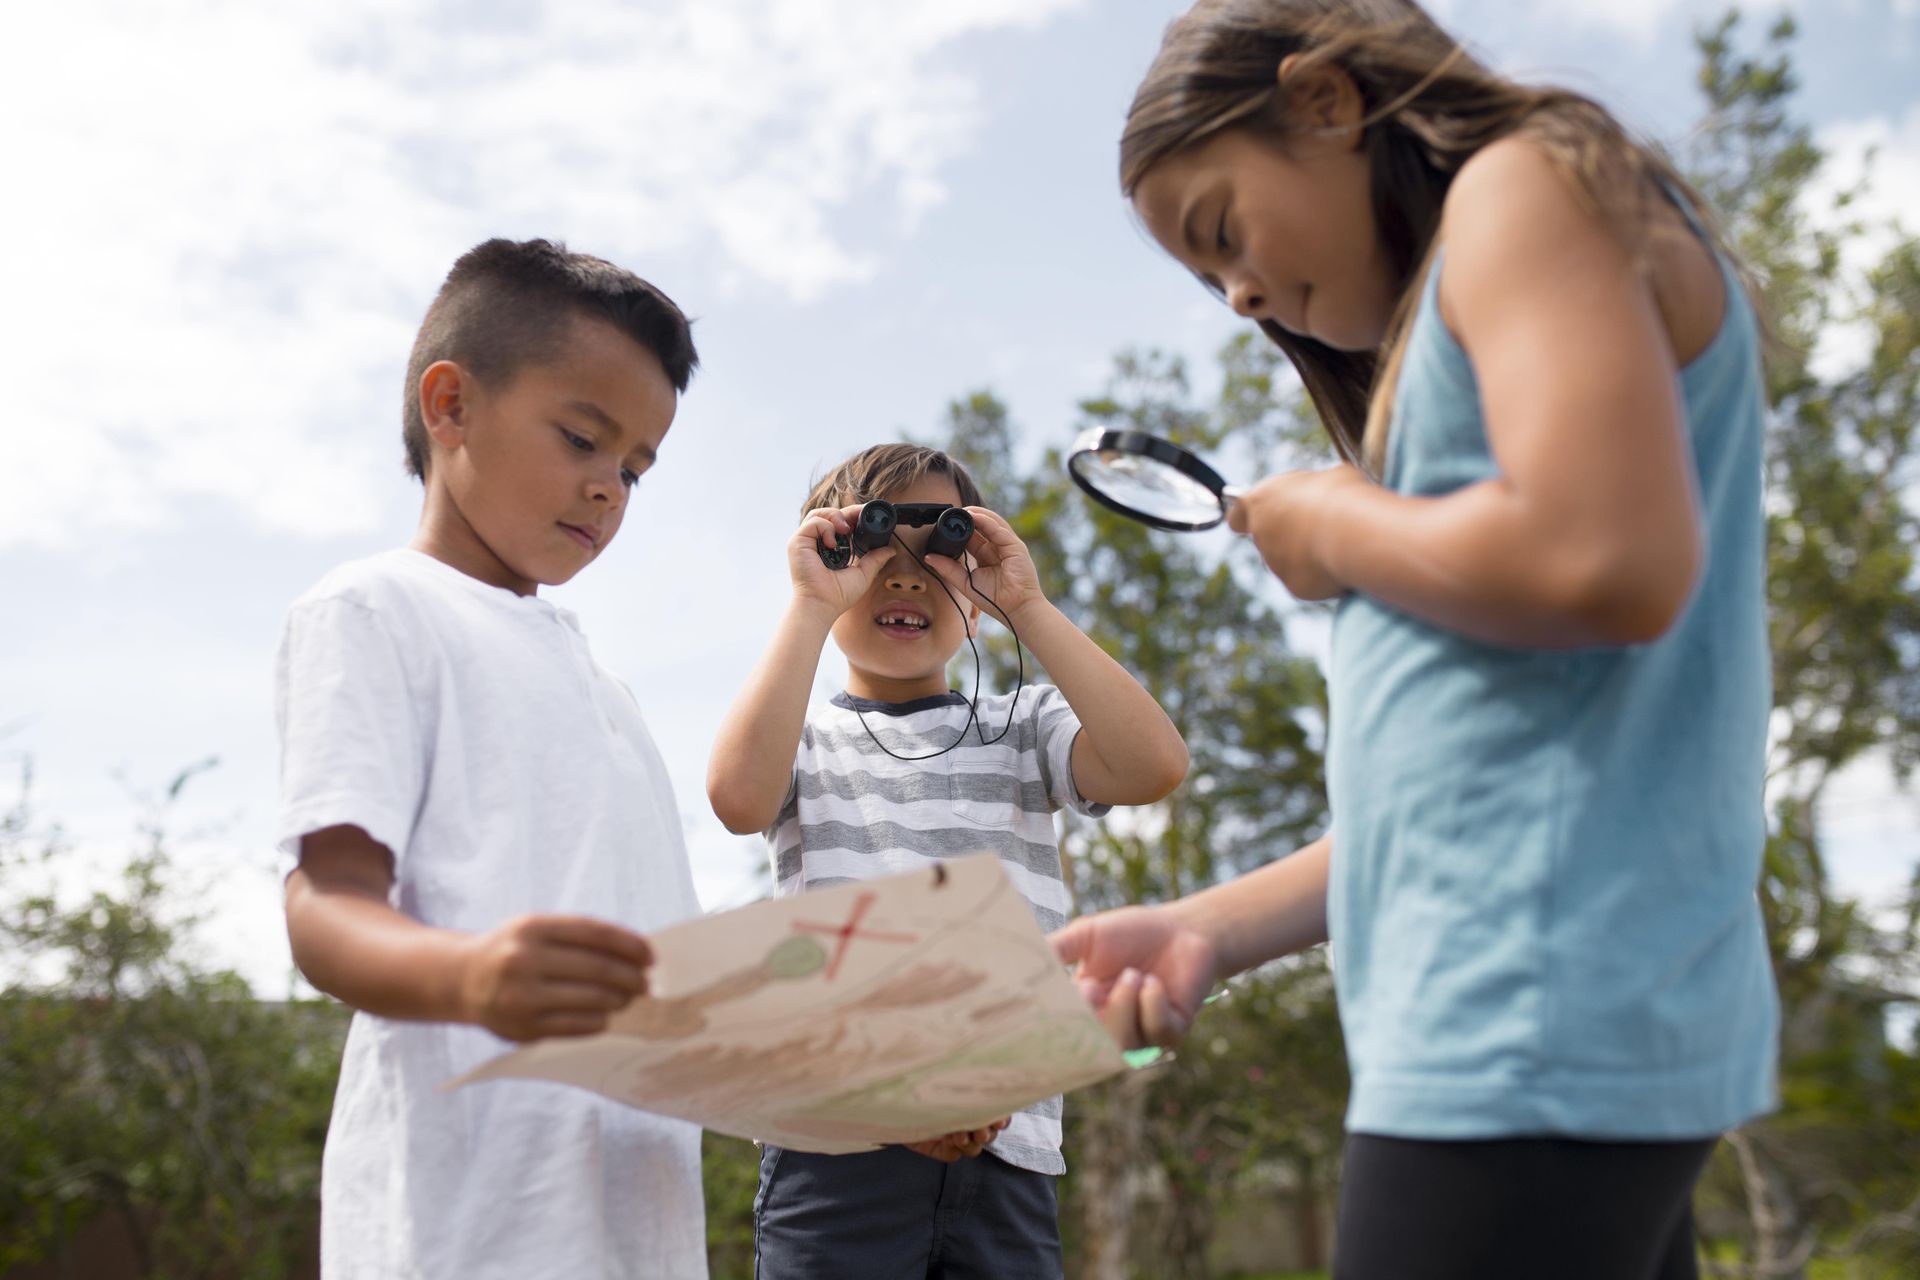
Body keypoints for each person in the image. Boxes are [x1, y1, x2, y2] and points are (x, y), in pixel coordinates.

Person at [1052, 3, 1780, 1278]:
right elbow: (1464, 789)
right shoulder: (1479, 298)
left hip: (1523, 1013)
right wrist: (1207, 927)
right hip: (1546, 1018)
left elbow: (1607, 561)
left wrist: (1339, 523)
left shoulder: (1523, 182)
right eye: (1206, 277)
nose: (1237, 295)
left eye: (1221, 230)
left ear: (1328, 103)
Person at [277, 238, 709, 1279]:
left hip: (640, 1233)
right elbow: (326, 907)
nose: (609, 488)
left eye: (636, 469)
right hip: (465, 1230)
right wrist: (472, 973)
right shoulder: (376, 609)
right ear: (451, 404)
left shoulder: (609, 692)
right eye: (581, 437)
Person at [707, 443, 1189, 1278]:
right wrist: (811, 605)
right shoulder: (805, 738)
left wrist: (1024, 603)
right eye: (872, 552)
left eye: (939, 552)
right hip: (836, 1146)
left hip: (1007, 1148)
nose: (904, 579)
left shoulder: (1025, 726)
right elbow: (737, 797)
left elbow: (1155, 766)